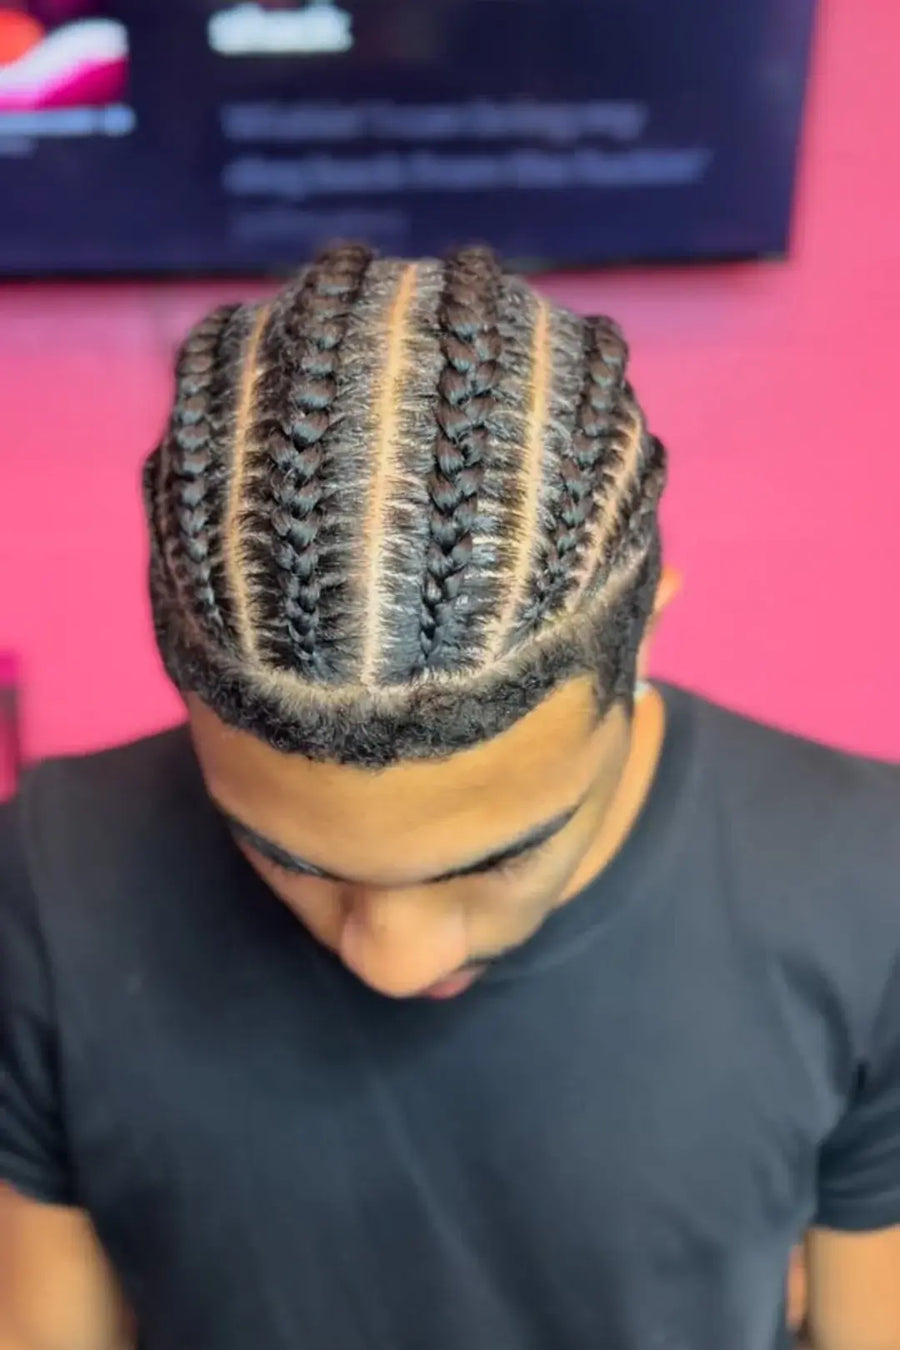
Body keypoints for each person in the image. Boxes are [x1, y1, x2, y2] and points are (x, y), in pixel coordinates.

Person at [0, 244, 898, 1350]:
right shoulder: (47, 880)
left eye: (497, 857)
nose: (396, 961)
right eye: (285, 856)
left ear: (643, 635)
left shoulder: (868, 882)